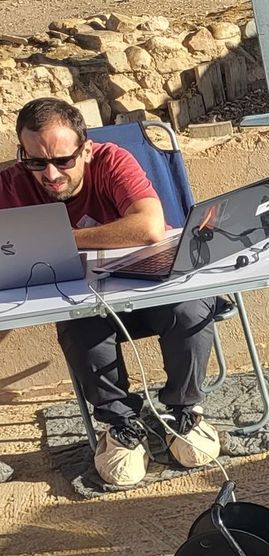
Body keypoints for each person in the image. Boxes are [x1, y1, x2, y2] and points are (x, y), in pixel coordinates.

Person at [0, 97, 223, 488]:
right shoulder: (12, 183)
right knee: (79, 325)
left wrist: (62, 241)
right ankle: (120, 424)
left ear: (86, 149)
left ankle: (185, 411)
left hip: (149, 286)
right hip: (83, 302)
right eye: (36, 162)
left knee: (191, 308)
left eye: (63, 161)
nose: (50, 174)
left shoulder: (112, 161)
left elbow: (149, 227)